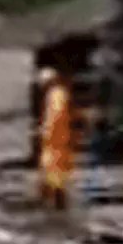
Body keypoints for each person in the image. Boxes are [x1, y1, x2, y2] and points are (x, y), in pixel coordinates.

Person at [37, 66, 74, 211]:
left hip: (56, 143)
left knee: (55, 176)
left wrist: (46, 130)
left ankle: (57, 205)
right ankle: (50, 204)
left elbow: (57, 116)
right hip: (53, 142)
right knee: (49, 175)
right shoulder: (55, 94)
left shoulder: (57, 94)